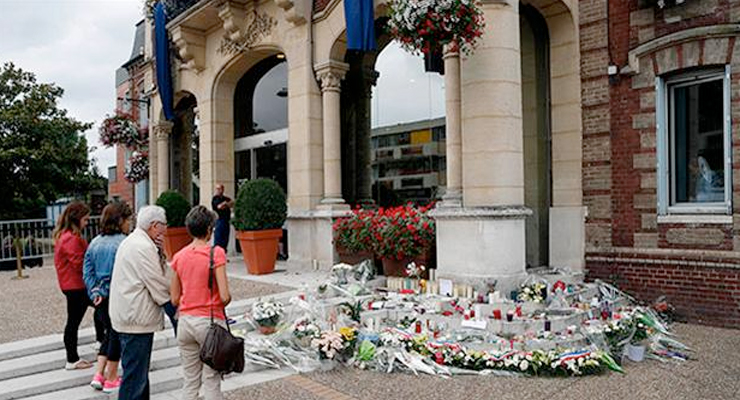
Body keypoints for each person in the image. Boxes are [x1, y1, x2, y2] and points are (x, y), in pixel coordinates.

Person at [109, 205, 171, 400]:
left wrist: (161, 251)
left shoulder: (136, 242)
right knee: (135, 379)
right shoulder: (142, 246)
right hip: (135, 319)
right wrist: (175, 310)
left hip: (130, 315)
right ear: (154, 226)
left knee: (138, 376)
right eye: (164, 226)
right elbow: (158, 284)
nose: (166, 230)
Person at [170, 206, 231, 400]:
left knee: (190, 381)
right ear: (209, 229)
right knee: (211, 379)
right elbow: (224, 296)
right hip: (209, 323)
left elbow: (173, 298)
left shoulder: (179, 256)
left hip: (185, 323)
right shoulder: (216, 253)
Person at [83, 201, 132, 393]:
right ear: (120, 220)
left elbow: (87, 271)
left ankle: (99, 373)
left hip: (100, 297)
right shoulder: (124, 243)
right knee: (116, 335)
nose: (130, 224)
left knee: (109, 334)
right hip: (118, 296)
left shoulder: (94, 242)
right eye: (128, 219)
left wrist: (94, 291)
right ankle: (111, 377)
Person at [53, 201, 100, 370]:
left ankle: (98, 342)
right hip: (76, 286)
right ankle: (72, 359)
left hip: (72, 285)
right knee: (76, 320)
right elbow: (80, 264)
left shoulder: (65, 236)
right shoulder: (70, 239)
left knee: (95, 310)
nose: (87, 222)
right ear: (77, 218)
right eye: (85, 219)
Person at [211, 184, 233, 251]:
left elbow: (232, 203)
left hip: (226, 221)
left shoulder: (225, 198)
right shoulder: (215, 199)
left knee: (225, 239)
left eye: (220, 189)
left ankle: (223, 255)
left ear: (223, 189)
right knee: (218, 239)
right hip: (219, 221)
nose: (218, 190)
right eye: (217, 189)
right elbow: (219, 207)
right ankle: (216, 255)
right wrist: (225, 204)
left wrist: (225, 204)